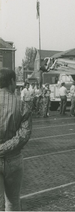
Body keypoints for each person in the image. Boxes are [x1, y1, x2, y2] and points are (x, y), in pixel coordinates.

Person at [0, 69, 32, 210]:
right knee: (12, 201)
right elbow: (23, 135)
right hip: (13, 159)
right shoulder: (22, 105)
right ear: (12, 82)